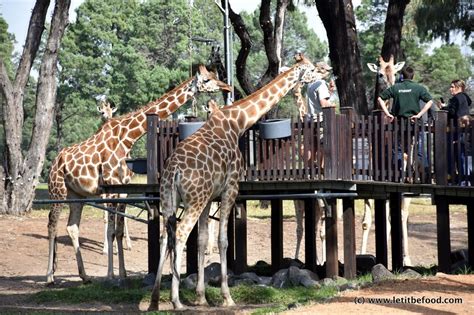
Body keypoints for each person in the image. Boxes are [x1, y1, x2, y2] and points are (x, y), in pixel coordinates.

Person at [377, 66, 433, 181]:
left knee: (398, 150)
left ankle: (397, 176)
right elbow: (430, 101)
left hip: (400, 124)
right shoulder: (418, 88)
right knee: (419, 149)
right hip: (415, 123)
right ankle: (421, 177)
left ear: (402, 76)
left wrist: (388, 113)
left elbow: (380, 99)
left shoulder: (396, 88)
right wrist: (419, 114)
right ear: (413, 76)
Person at [438, 79, 472, 185]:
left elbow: (452, 111)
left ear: (459, 87)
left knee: (455, 154)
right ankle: (465, 179)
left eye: (452, 87)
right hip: (465, 129)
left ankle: (454, 179)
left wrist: (444, 108)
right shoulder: (466, 98)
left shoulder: (455, 98)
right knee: (463, 153)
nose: (450, 89)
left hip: (455, 129)